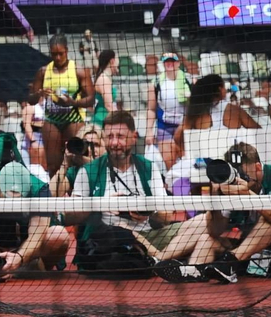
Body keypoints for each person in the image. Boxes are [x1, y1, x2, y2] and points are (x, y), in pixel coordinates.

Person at [65, 110, 216, 275]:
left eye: (120, 136)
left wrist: (149, 212)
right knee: (120, 227)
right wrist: (102, 204)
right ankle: (165, 259)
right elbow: (71, 216)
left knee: (207, 220)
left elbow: (166, 217)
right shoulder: (87, 171)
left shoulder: (149, 168)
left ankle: (157, 259)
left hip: (151, 234)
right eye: (109, 137)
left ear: (134, 137)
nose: (114, 142)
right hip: (110, 239)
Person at [199, 141, 271, 276]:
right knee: (206, 237)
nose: (239, 178)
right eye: (236, 172)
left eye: (243, 173)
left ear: (257, 167)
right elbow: (215, 231)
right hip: (256, 244)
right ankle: (190, 271)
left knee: (268, 219)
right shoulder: (232, 185)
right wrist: (215, 199)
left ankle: (229, 263)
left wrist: (248, 195)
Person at [0, 160, 72, 277]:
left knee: (59, 235)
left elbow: (36, 237)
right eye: (8, 197)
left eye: (18, 199)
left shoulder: (40, 191)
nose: (12, 205)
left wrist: (19, 257)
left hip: (27, 248)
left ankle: (13, 267)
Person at [26, 33, 96, 174]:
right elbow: (31, 100)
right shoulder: (43, 72)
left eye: (61, 54)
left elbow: (91, 99)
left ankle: (77, 186)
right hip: (52, 120)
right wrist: (39, 93)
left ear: (67, 50)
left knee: (77, 160)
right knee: (53, 165)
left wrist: (73, 102)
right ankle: (56, 186)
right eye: (54, 54)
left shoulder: (78, 71)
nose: (57, 58)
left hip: (74, 119)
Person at [148, 52, 191, 164]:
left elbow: (198, 105)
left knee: (186, 161)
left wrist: (191, 97)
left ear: (178, 63)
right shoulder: (156, 83)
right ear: (163, 64)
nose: (169, 64)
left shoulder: (189, 80)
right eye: (167, 61)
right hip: (164, 126)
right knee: (169, 162)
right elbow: (151, 109)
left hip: (184, 125)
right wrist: (149, 131)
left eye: (172, 61)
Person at [89, 48, 119, 129]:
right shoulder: (104, 79)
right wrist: (120, 120)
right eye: (117, 59)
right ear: (112, 61)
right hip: (102, 120)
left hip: (106, 119)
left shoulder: (106, 77)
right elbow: (108, 105)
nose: (118, 63)